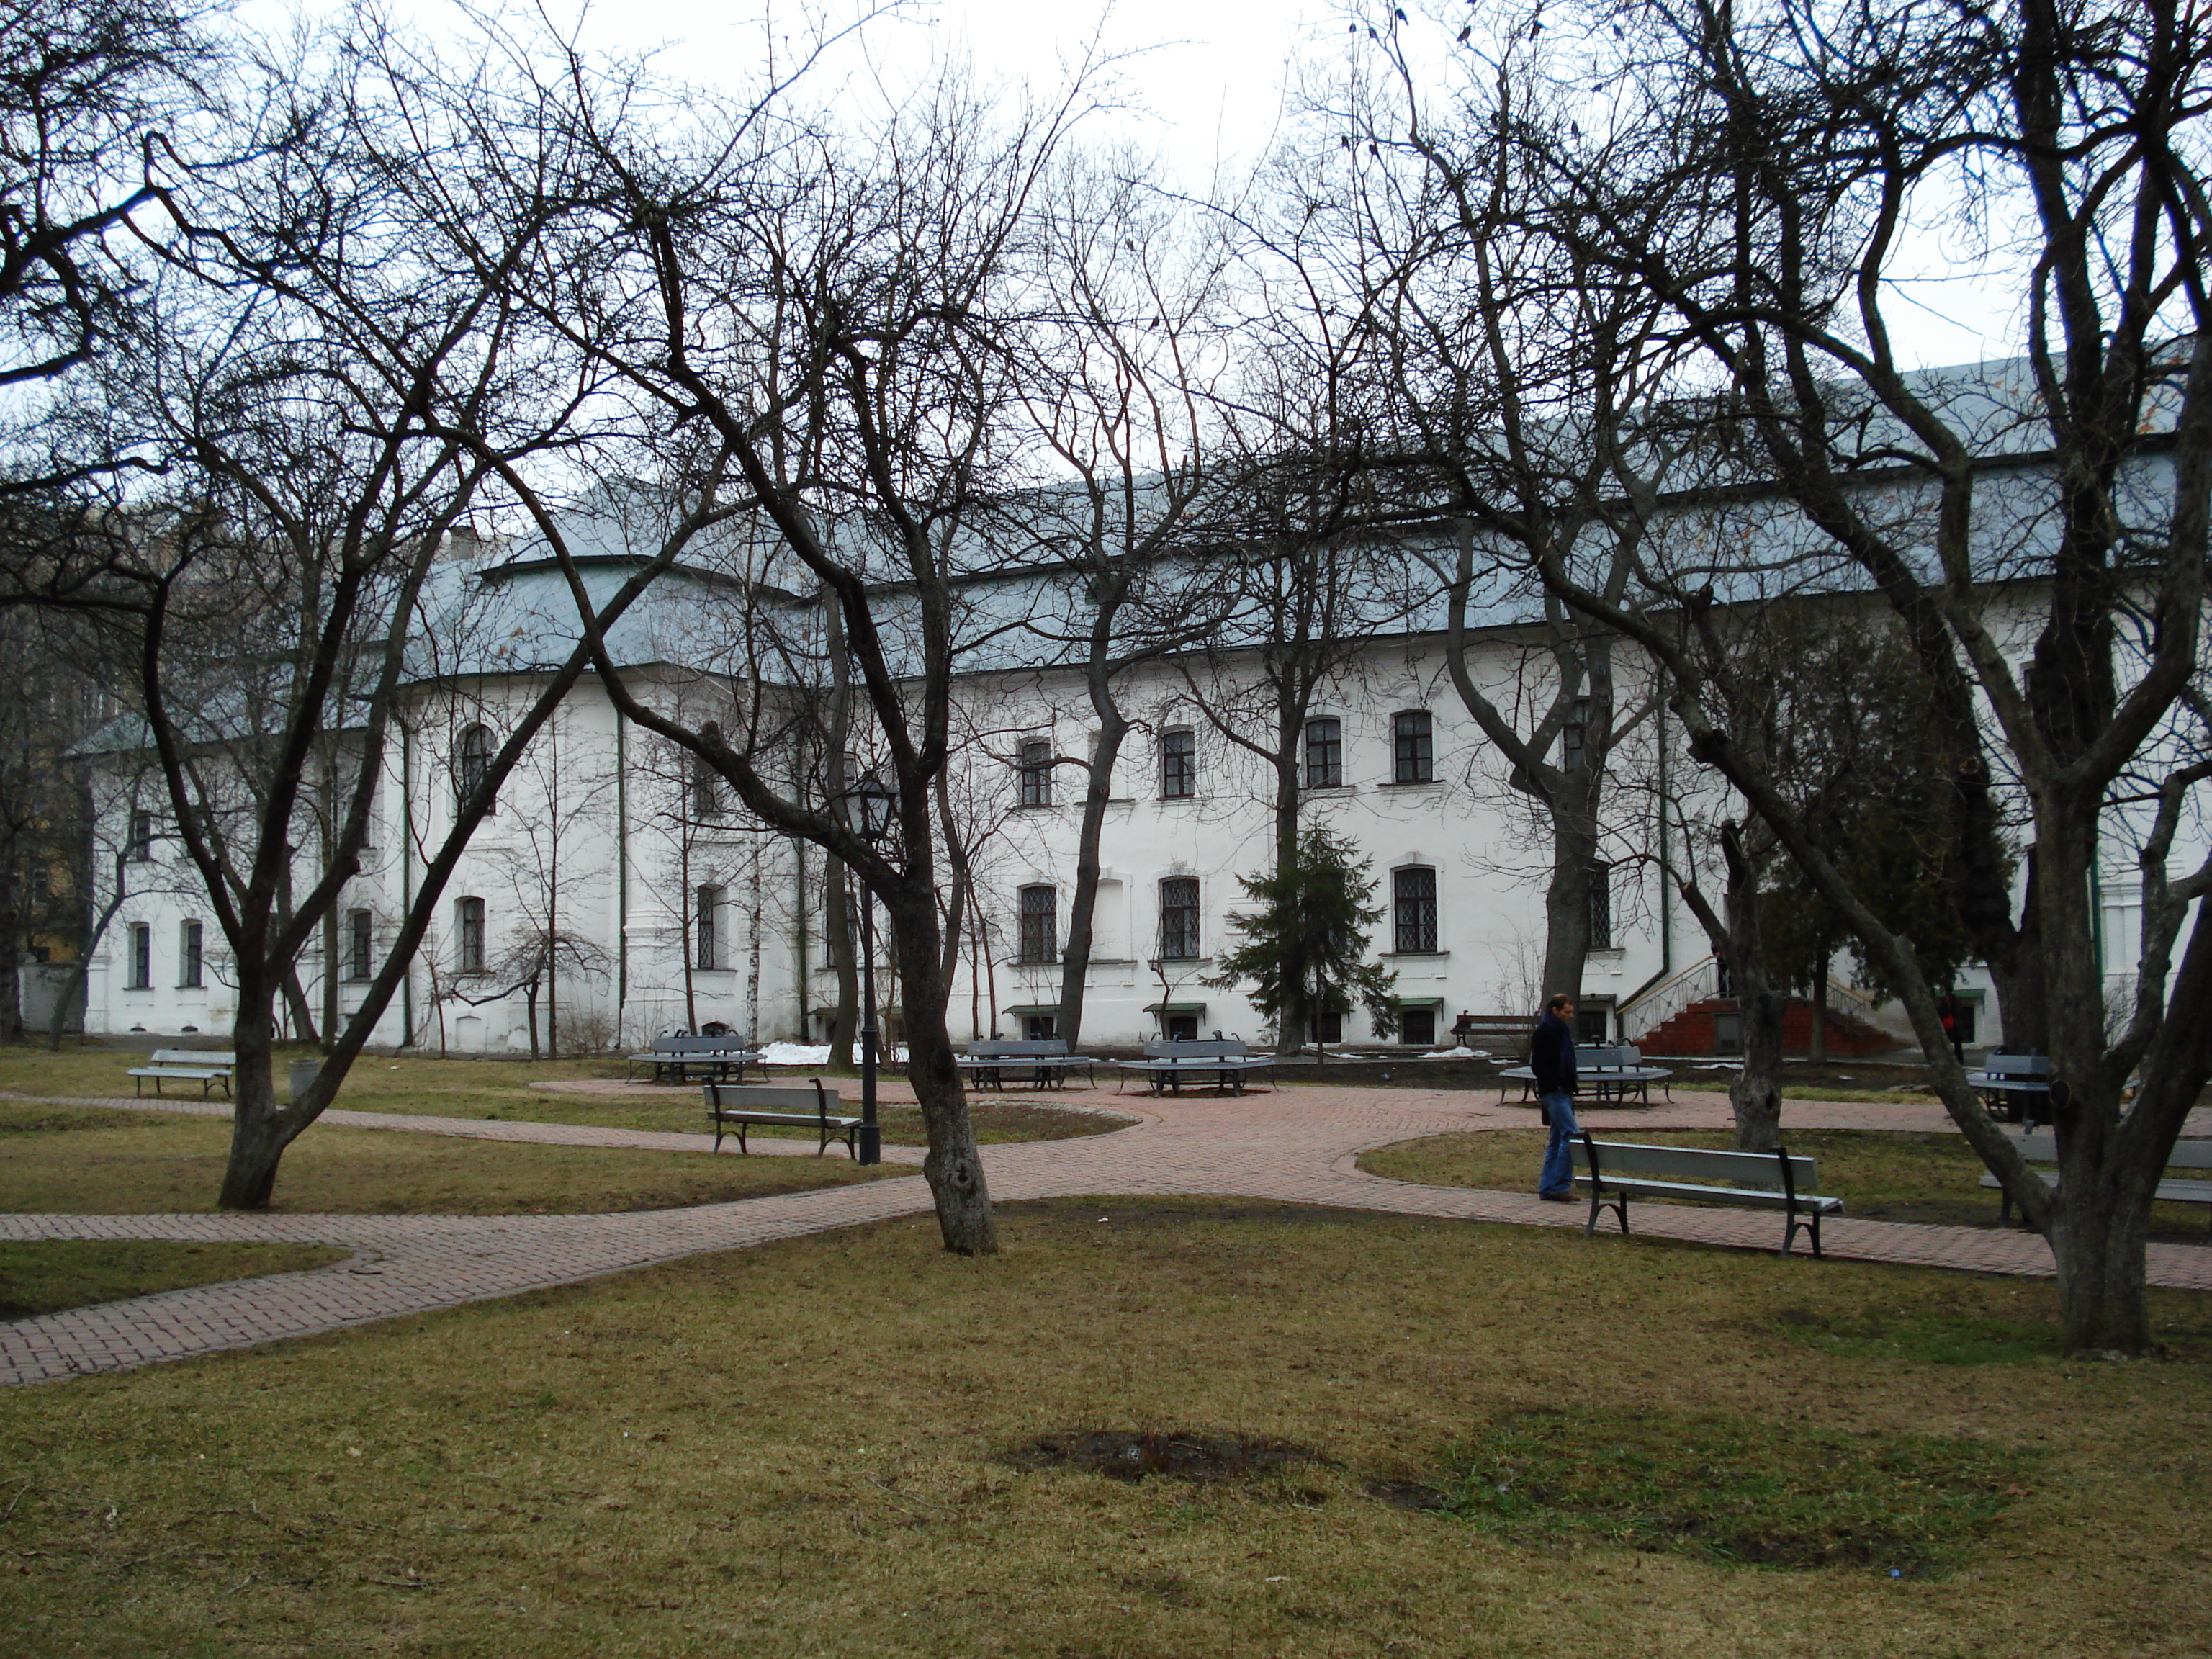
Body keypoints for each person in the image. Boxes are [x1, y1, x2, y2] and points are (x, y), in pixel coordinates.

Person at [1531, 992, 1580, 1201]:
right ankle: (1559, 1185)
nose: (1571, 1016)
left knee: (1557, 1138)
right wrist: (1556, 1085)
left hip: (1564, 1090)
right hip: (1554, 1092)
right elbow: (1538, 1065)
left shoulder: (1561, 1031)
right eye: (1567, 1012)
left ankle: (1549, 1187)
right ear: (1555, 1011)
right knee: (1572, 1135)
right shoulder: (1545, 1032)